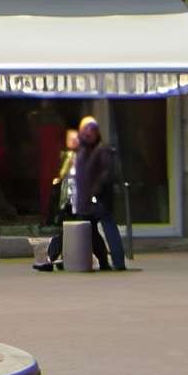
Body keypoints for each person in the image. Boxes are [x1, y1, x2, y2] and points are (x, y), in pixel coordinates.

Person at [76, 115, 126, 273]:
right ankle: (104, 261)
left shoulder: (102, 150)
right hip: (87, 198)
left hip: (99, 198)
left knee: (107, 228)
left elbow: (107, 172)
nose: (87, 134)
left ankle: (117, 262)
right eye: (85, 131)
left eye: (90, 131)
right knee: (91, 232)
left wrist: (96, 188)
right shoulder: (84, 151)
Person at [33, 128, 81, 269]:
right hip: (69, 198)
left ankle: (54, 258)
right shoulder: (67, 156)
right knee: (64, 229)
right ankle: (53, 257)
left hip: (77, 198)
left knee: (75, 230)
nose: (72, 141)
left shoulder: (79, 156)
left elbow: (63, 175)